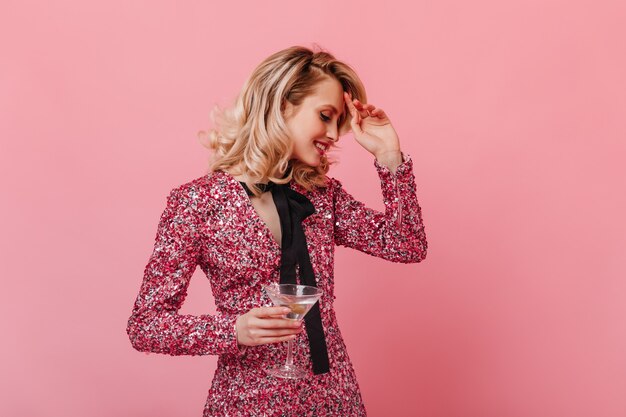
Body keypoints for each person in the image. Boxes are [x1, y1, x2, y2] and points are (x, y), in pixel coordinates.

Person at [126, 45, 428, 416]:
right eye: (325, 116)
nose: (334, 134)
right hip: (247, 403)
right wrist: (233, 330)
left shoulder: (322, 196)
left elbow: (407, 245)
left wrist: (389, 157)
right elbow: (146, 326)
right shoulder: (196, 203)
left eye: (339, 123)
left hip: (334, 399)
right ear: (282, 105)